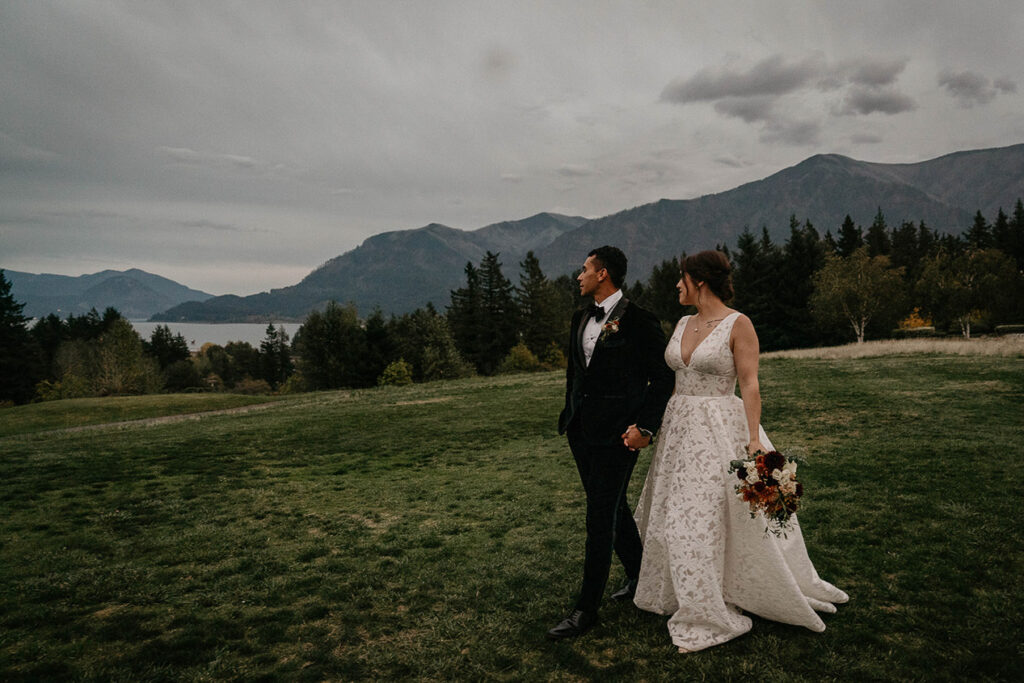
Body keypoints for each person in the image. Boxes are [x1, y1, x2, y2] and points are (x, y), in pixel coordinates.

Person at [631, 249, 848, 652]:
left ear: (699, 280)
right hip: (680, 433)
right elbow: (676, 383)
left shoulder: (738, 323)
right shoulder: (682, 323)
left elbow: (749, 383)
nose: (676, 285)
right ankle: (689, 593)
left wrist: (753, 439)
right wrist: (659, 428)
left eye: (682, 279)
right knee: (675, 519)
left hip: (720, 430)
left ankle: (713, 605)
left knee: (709, 520)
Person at [547, 246, 675, 640]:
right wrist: (571, 417)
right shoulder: (579, 317)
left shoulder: (639, 321)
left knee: (600, 516)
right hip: (581, 432)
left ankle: (586, 610)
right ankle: (640, 577)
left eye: (584, 269)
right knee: (612, 504)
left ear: (603, 274)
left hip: (620, 437)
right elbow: (576, 375)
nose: (579, 275)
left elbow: (664, 380)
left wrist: (646, 428)